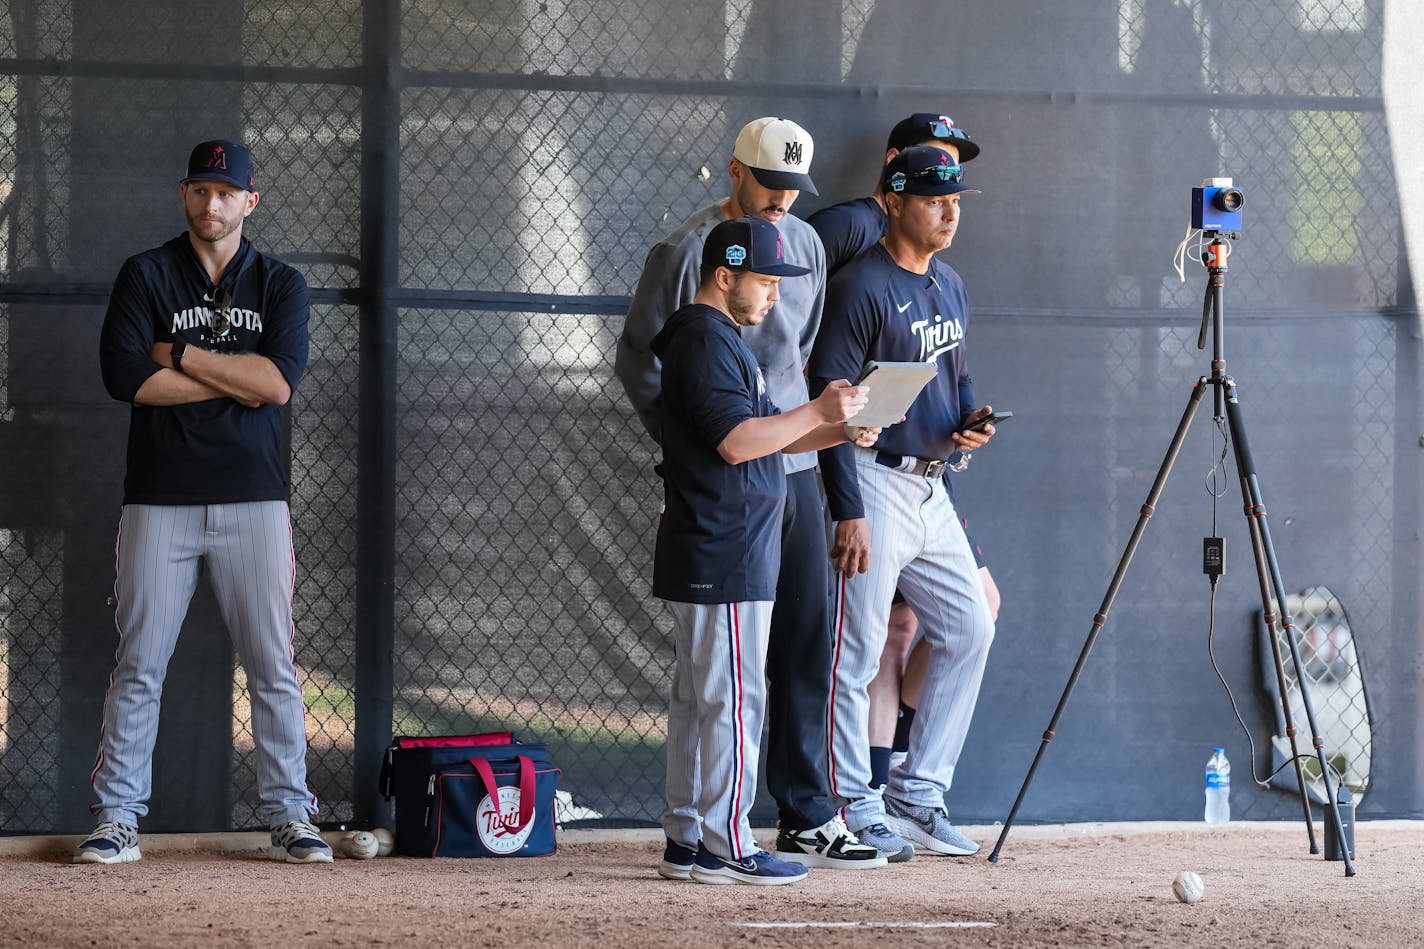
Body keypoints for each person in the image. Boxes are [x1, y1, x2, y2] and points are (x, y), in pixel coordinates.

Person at [617, 118, 882, 873]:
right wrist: (692, 458)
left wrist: (835, 432)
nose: (785, 207)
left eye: (795, 192)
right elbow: (725, 430)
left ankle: (732, 826)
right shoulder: (694, 287)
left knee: (739, 673)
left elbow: (779, 390)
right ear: (735, 173)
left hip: (774, 466)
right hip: (728, 493)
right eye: (771, 189)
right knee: (729, 689)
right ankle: (724, 840)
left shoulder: (785, 260)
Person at [78, 139, 328, 865]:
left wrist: (181, 354)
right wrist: (235, 378)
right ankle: (117, 818)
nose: (211, 204)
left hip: (255, 499)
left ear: (251, 199)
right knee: (140, 661)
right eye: (200, 190)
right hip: (159, 500)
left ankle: (289, 815)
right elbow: (127, 378)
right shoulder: (147, 274)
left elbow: (278, 384)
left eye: (226, 192)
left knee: (273, 663)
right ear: (184, 195)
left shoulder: (281, 284)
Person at [808, 145, 999, 860]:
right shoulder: (860, 286)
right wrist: (846, 507)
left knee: (971, 628)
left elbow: (956, 382)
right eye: (932, 198)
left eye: (955, 199)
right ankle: (853, 802)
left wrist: (971, 421)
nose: (949, 211)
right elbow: (828, 404)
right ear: (893, 200)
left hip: (931, 481)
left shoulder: (949, 283)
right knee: (854, 650)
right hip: (873, 477)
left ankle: (918, 794)